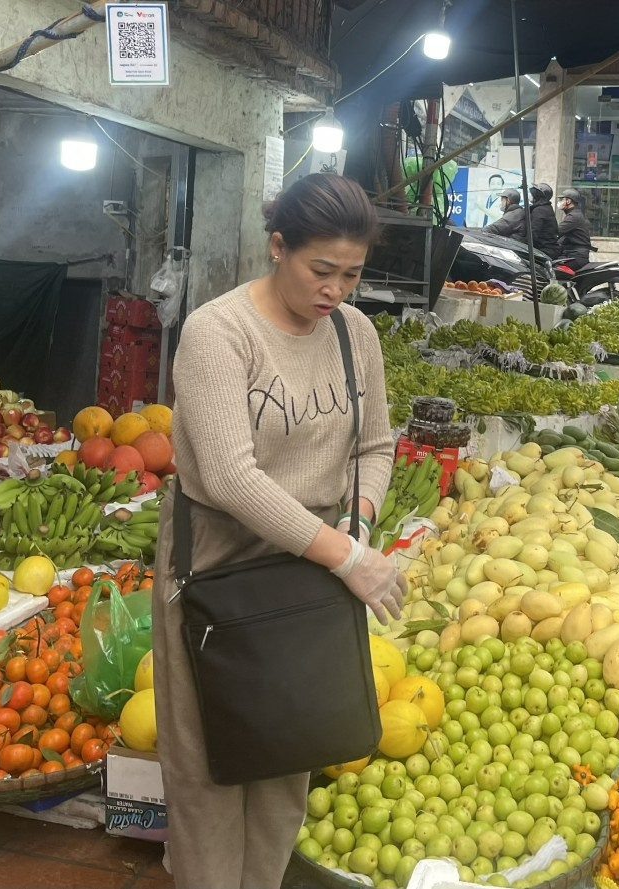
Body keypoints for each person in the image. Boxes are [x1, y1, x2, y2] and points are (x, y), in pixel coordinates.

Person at [153, 173, 404, 889]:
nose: (335, 290)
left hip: (310, 568)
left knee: (289, 750)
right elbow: (232, 478)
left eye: (351, 274)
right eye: (320, 270)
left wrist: (356, 525)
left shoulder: (356, 335)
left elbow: (374, 447)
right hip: (218, 568)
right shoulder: (218, 332)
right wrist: (346, 556)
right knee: (209, 770)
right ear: (276, 246)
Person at [556, 188, 593, 271]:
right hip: (574, 255)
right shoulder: (575, 214)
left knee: (551, 269)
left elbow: (556, 232)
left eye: (562, 199)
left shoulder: (573, 217)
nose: (560, 202)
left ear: (568, 201)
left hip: (575, 257)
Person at [528, 182, 560, 259]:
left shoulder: (539, 210)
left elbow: (533, 233)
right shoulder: (546, 207)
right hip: (549, 249)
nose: (529, 195)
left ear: (538, 195)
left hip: (544, 251)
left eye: (532, 193)